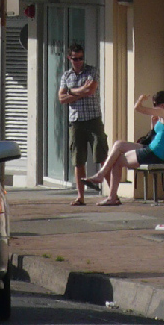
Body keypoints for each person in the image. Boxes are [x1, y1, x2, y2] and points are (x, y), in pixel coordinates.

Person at [84, 90, 164, 206]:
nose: (154, 108)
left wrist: (141, 100)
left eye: (155, 105)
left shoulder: (163, 112)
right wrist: (153, 123)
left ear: (163, 105)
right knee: (119, 144)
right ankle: (102, 175)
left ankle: (110, 193)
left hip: (154, 153)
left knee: (117, 161)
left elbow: (138, 108)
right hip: (155, 150)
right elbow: (157, 136)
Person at [58, 43, 109, 206]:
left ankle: (112, 193)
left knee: (101, 155)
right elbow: (61, 98)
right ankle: (80, 196)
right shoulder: (66, 76)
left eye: (80, 58)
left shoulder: (91, 71)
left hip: (93, 119)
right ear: (69, 58)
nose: (78, 61)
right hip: (76, 121)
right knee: (78, 159)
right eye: (75, 59)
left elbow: (91, 90)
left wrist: (71, 92)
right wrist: (78, 91)